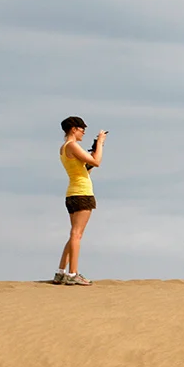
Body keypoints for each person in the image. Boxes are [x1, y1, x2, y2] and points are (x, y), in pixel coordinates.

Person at [53, 116, 105, 286]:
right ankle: (73, 273)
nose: (83, 132)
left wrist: (95, 149)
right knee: (77, 235)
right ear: (74, 129)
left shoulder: (64, 148)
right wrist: (100, 144)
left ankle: (61, 272)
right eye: (82, 129)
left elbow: (85, 169)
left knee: (74, 234)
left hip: (72, 194)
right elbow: (96, 162)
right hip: (82, 194)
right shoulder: (73, 145)